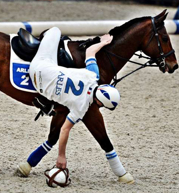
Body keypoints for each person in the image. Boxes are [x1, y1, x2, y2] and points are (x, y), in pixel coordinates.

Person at [28, 27, 120, 169]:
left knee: (54, 31)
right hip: (38, 83)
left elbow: (90, 51)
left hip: (40, 65)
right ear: (100, 103)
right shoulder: (81, 108)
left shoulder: (93, 75)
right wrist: (61, 155)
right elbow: (64, 130)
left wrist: (103, 42)